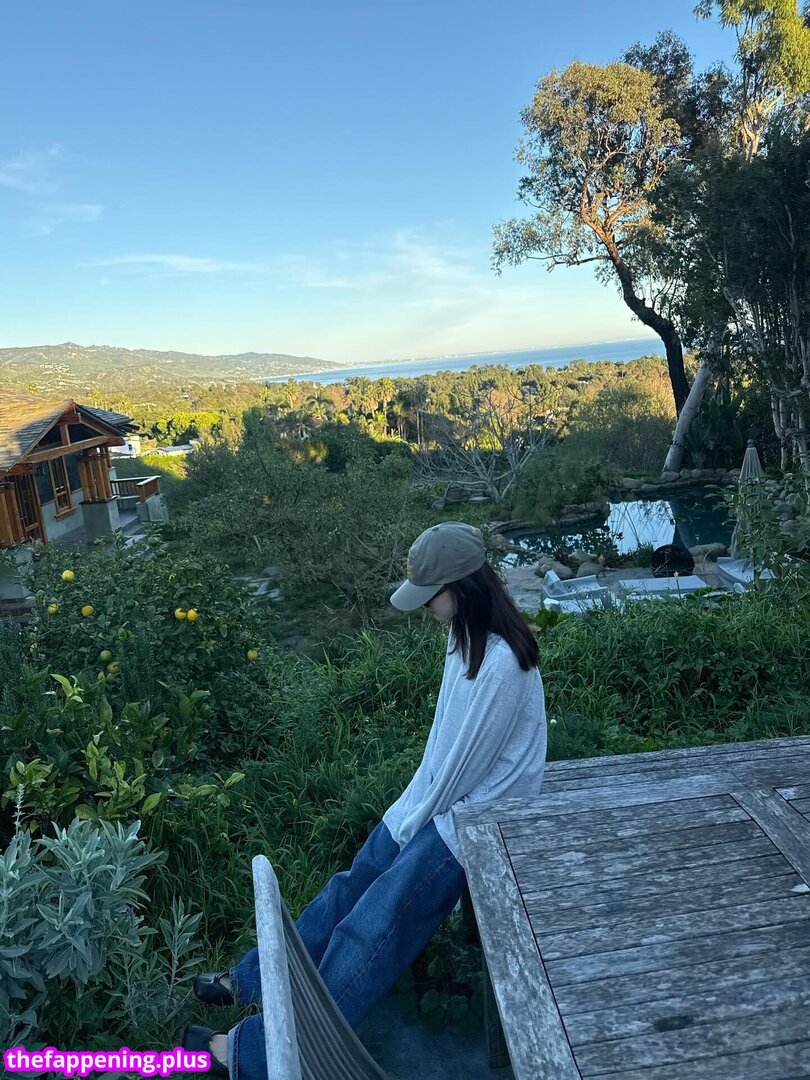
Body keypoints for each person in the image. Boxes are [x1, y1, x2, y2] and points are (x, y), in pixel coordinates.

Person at [183, 521, 548, 1078]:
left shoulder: (502, 665)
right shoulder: (464, 640)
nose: (425, 607)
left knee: (373, 927)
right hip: (448, 803)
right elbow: (443, 749)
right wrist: (404, 815)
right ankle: (252, 980)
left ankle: (253, 1053)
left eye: (431, 595)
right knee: (350, 885)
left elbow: (462, 771)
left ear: (463, 588)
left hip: (481, 819)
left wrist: (412, 824)